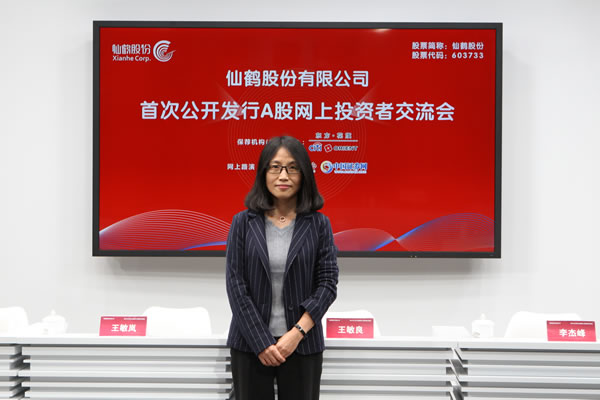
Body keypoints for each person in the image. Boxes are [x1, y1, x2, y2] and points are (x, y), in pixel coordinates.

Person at [225, 135, 339, 400]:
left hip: (302, 344)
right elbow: (235, 285)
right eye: (275, 167)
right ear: (263, 173)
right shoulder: (242, 222)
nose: (283, 176)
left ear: (304, 174)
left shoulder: (319, 224)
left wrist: (297, 333)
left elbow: (327, 284)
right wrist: (262, 341)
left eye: (292, 168)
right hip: (249, 345)